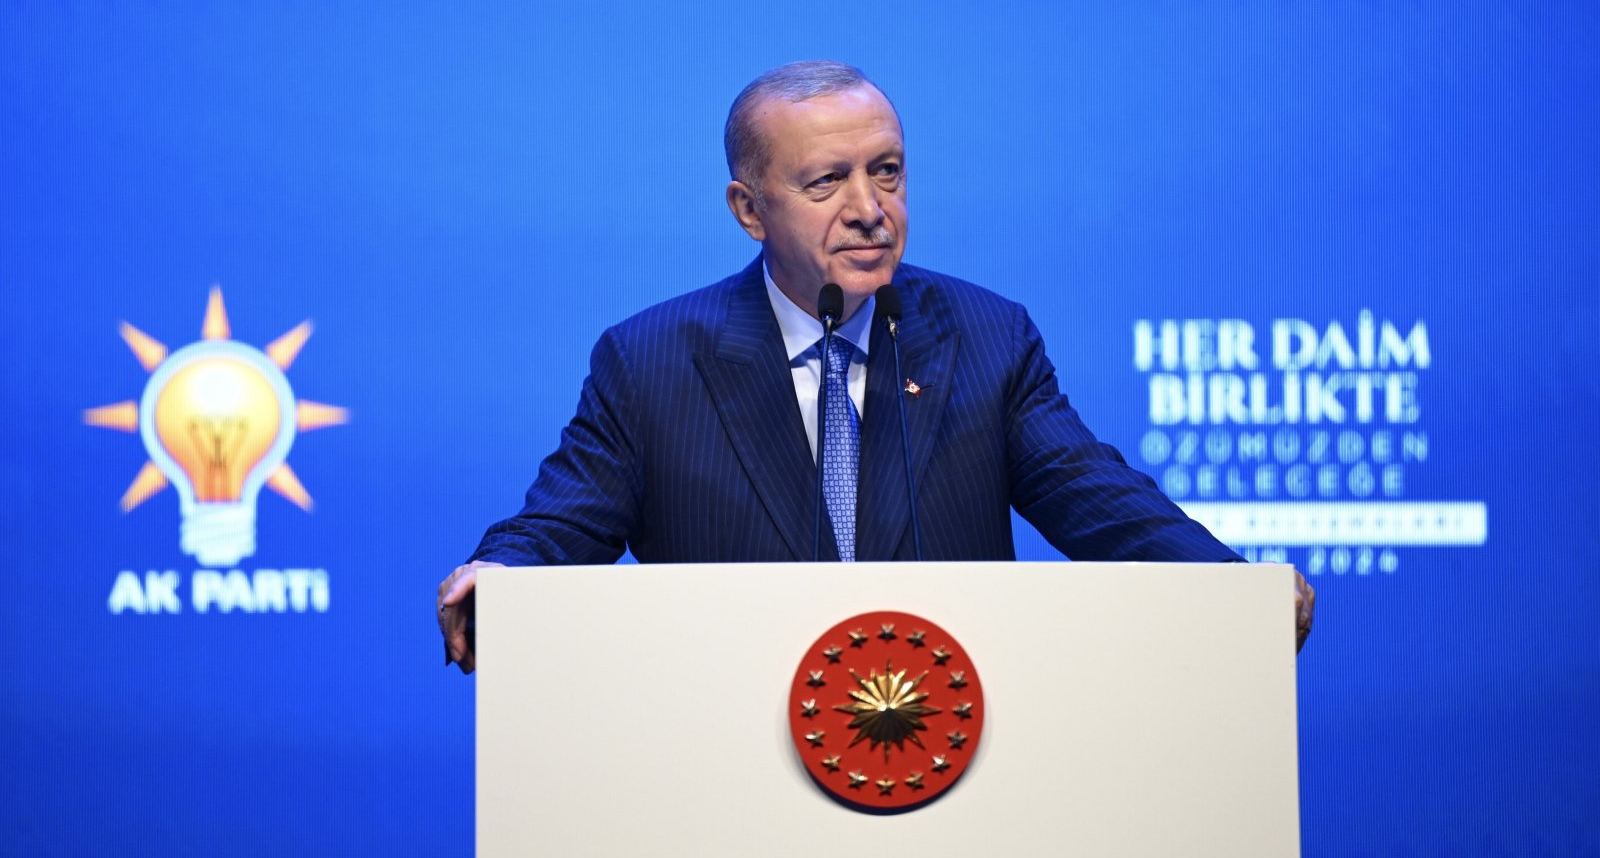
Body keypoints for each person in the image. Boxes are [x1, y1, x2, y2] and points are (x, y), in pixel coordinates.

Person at [438, 61, 1314, 672]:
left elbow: (1097, 499)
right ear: (750, 210)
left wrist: (1230, 589)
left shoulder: (984, 335)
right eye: (827, 183)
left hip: (953, 761)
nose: (871, 210)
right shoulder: (653, 360)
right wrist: (502, 578)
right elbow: (563, 524)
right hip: (728, 778)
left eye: (887, 172)